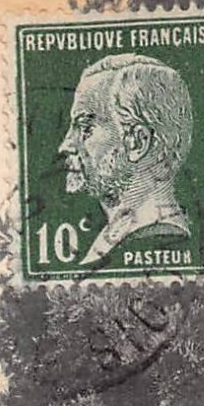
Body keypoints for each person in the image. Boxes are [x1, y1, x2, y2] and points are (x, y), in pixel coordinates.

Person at [57, 53, 194, 265]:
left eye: (85, 128)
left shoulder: (155, 239)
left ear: (138, 142)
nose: (65, 146)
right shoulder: (117, 239)